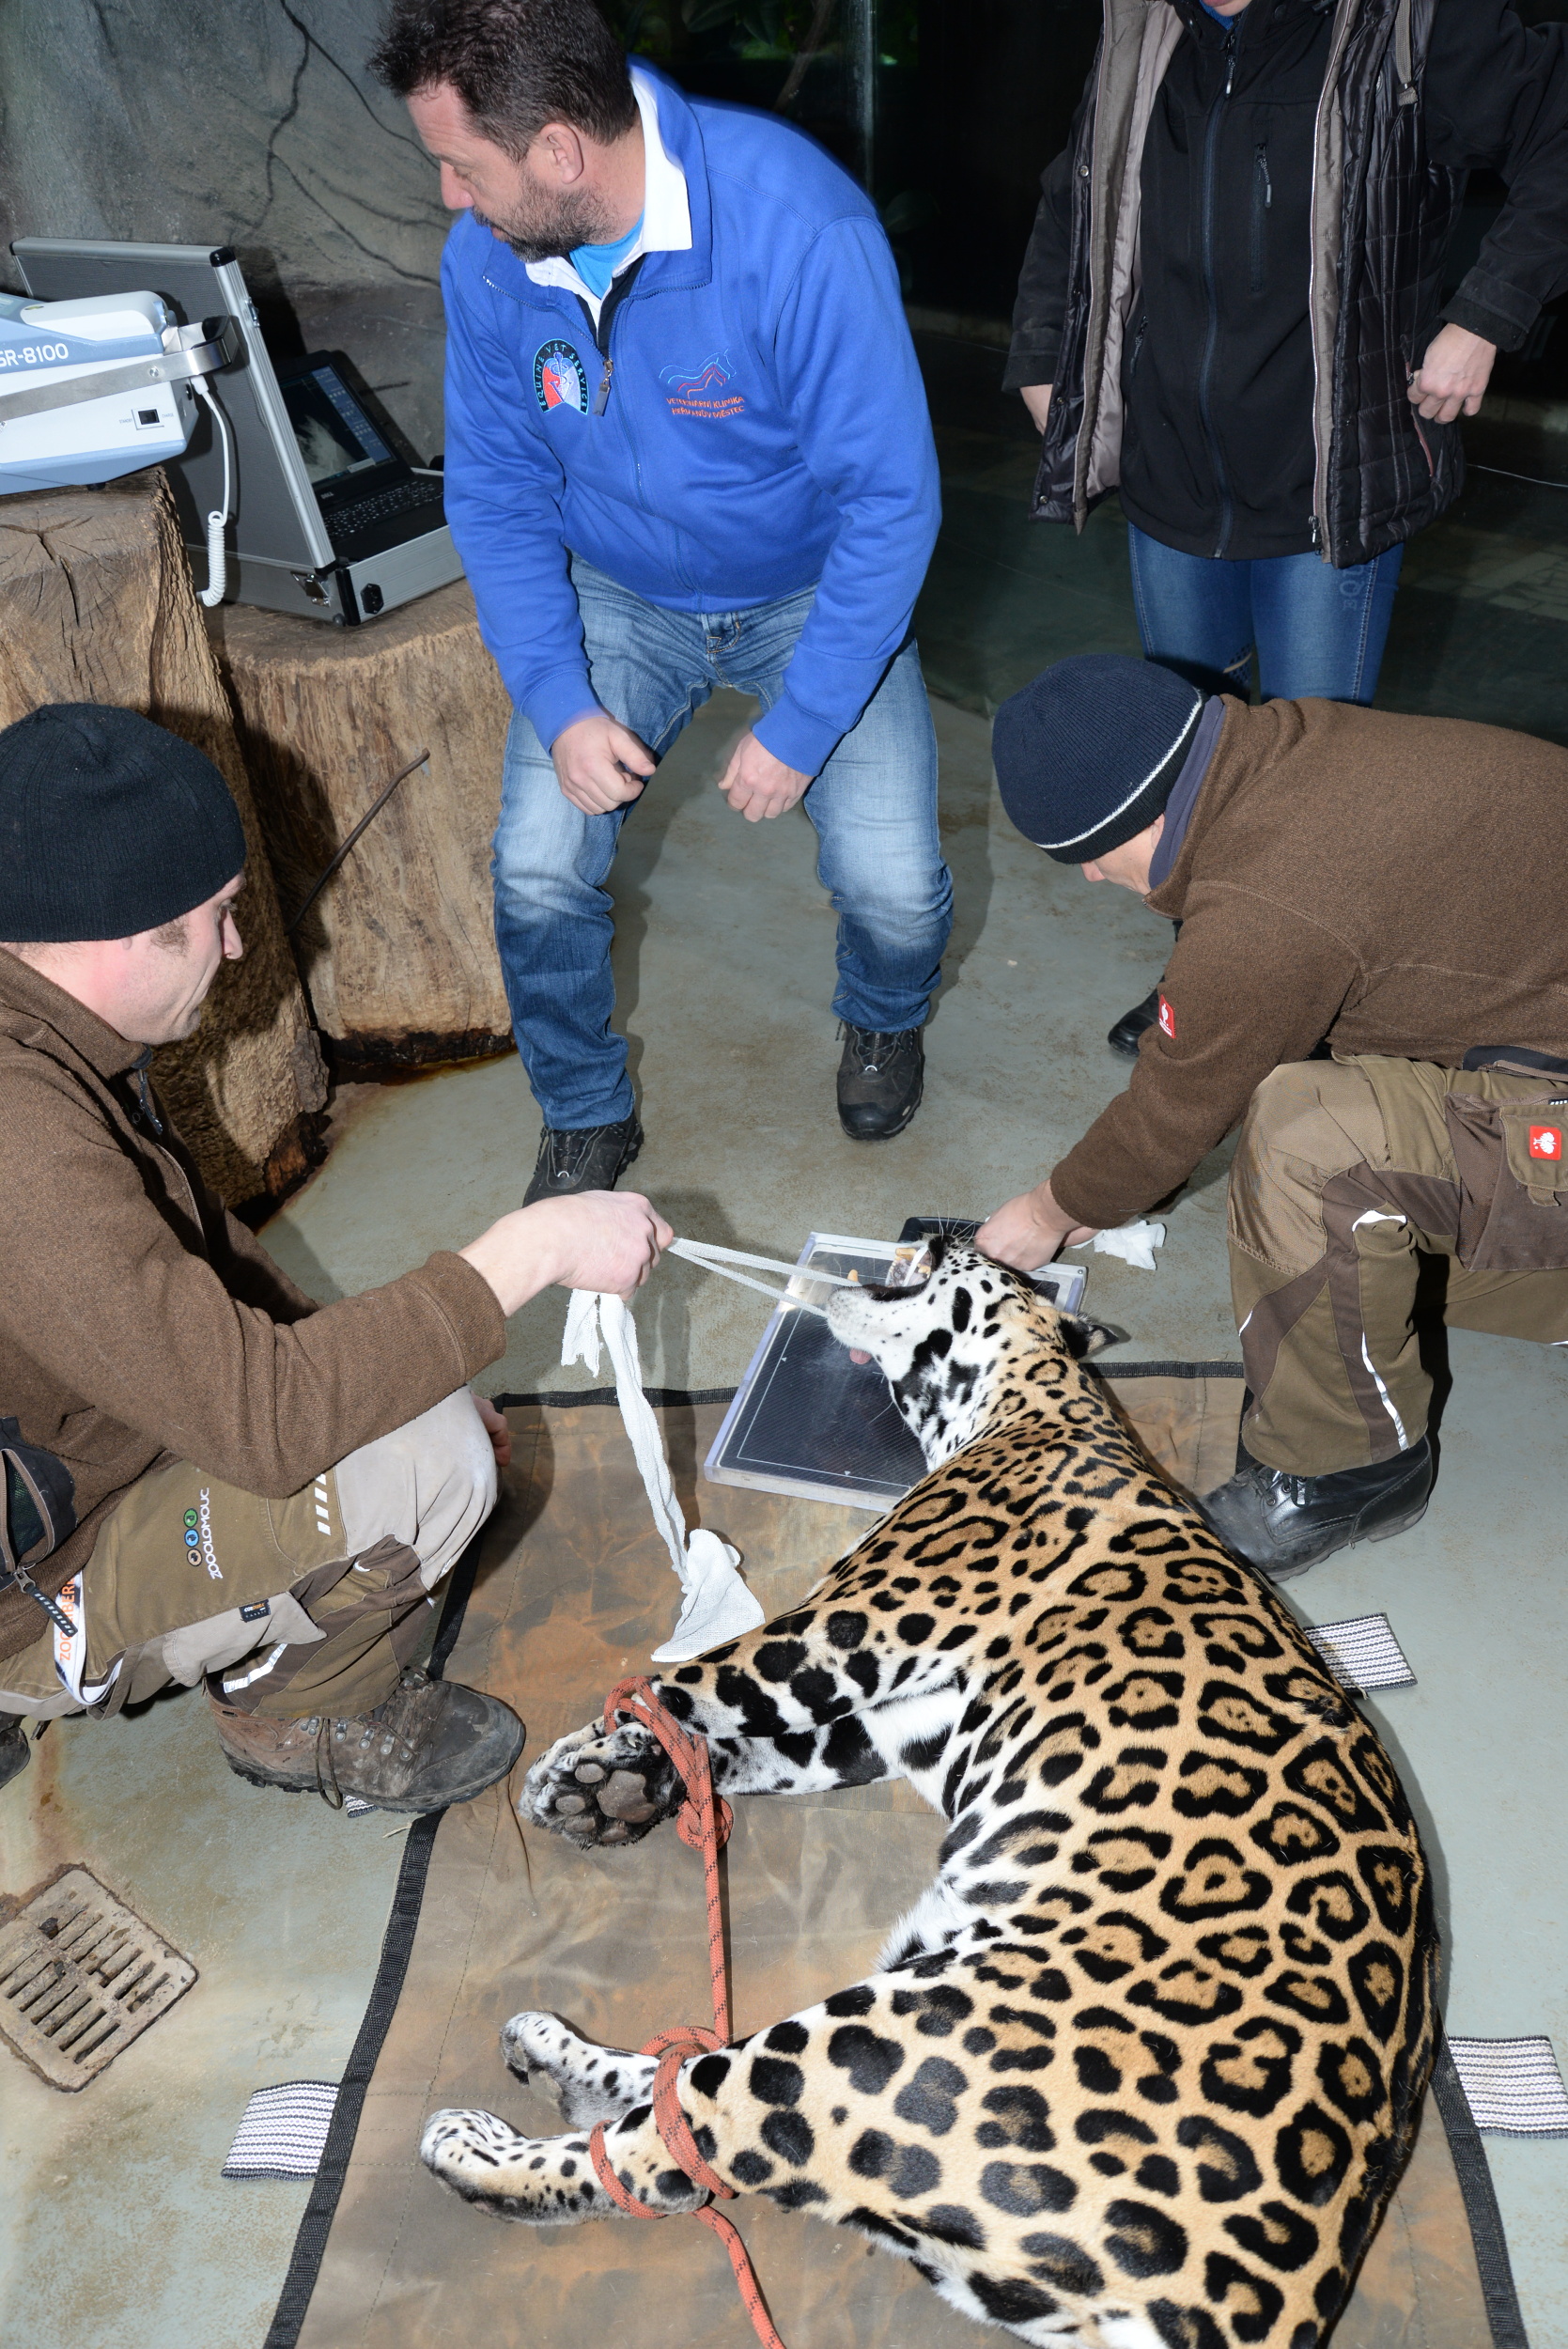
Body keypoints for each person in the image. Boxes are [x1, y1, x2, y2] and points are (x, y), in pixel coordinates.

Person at [0, 704, 672, 1807]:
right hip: (37, 1579)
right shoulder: (21, 1144)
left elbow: (192, 1247)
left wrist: (394, 1373)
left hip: (93, 1435)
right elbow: (265, 1421)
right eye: (216, 917)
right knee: (429, 1461)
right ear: (116, 933)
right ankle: (296, 1711)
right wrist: (537, 1242)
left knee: (399, 1406)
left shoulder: (42, 1033)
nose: (236, 947)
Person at [370, 0, 952, 1199]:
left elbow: (891, 504)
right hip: (620, 587)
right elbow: (497, 493)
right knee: (538, 864)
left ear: (559, 151)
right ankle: (583, 1110)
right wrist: (559, 698)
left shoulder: (799, 229)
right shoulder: (488, 259)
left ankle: (883, 1017)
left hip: (809, 585)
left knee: (892, 885)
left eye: (462, 166)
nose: (448, 196)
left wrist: (803, 723)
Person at [1006, 0, 1568, 1056]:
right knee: (1186, 766)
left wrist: (1485, 315)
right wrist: (1040, 352)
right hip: (1172, 477)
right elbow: (1070, 197)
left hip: (1327, 486)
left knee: (1318, 788)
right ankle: (1215, 977)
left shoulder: (1404, 25)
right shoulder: (1140, 27)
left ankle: (1310, 997)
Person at [975, 653, 1568, 1579]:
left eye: (1086, 853)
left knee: (1307, 1143)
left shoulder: (1264, 903)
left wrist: (1049, 1210)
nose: (1089, 877)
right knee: (1321, 1195)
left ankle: (1349, 1471)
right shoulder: (1298, 744)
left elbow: (1176, 1107)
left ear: (1141, 818)